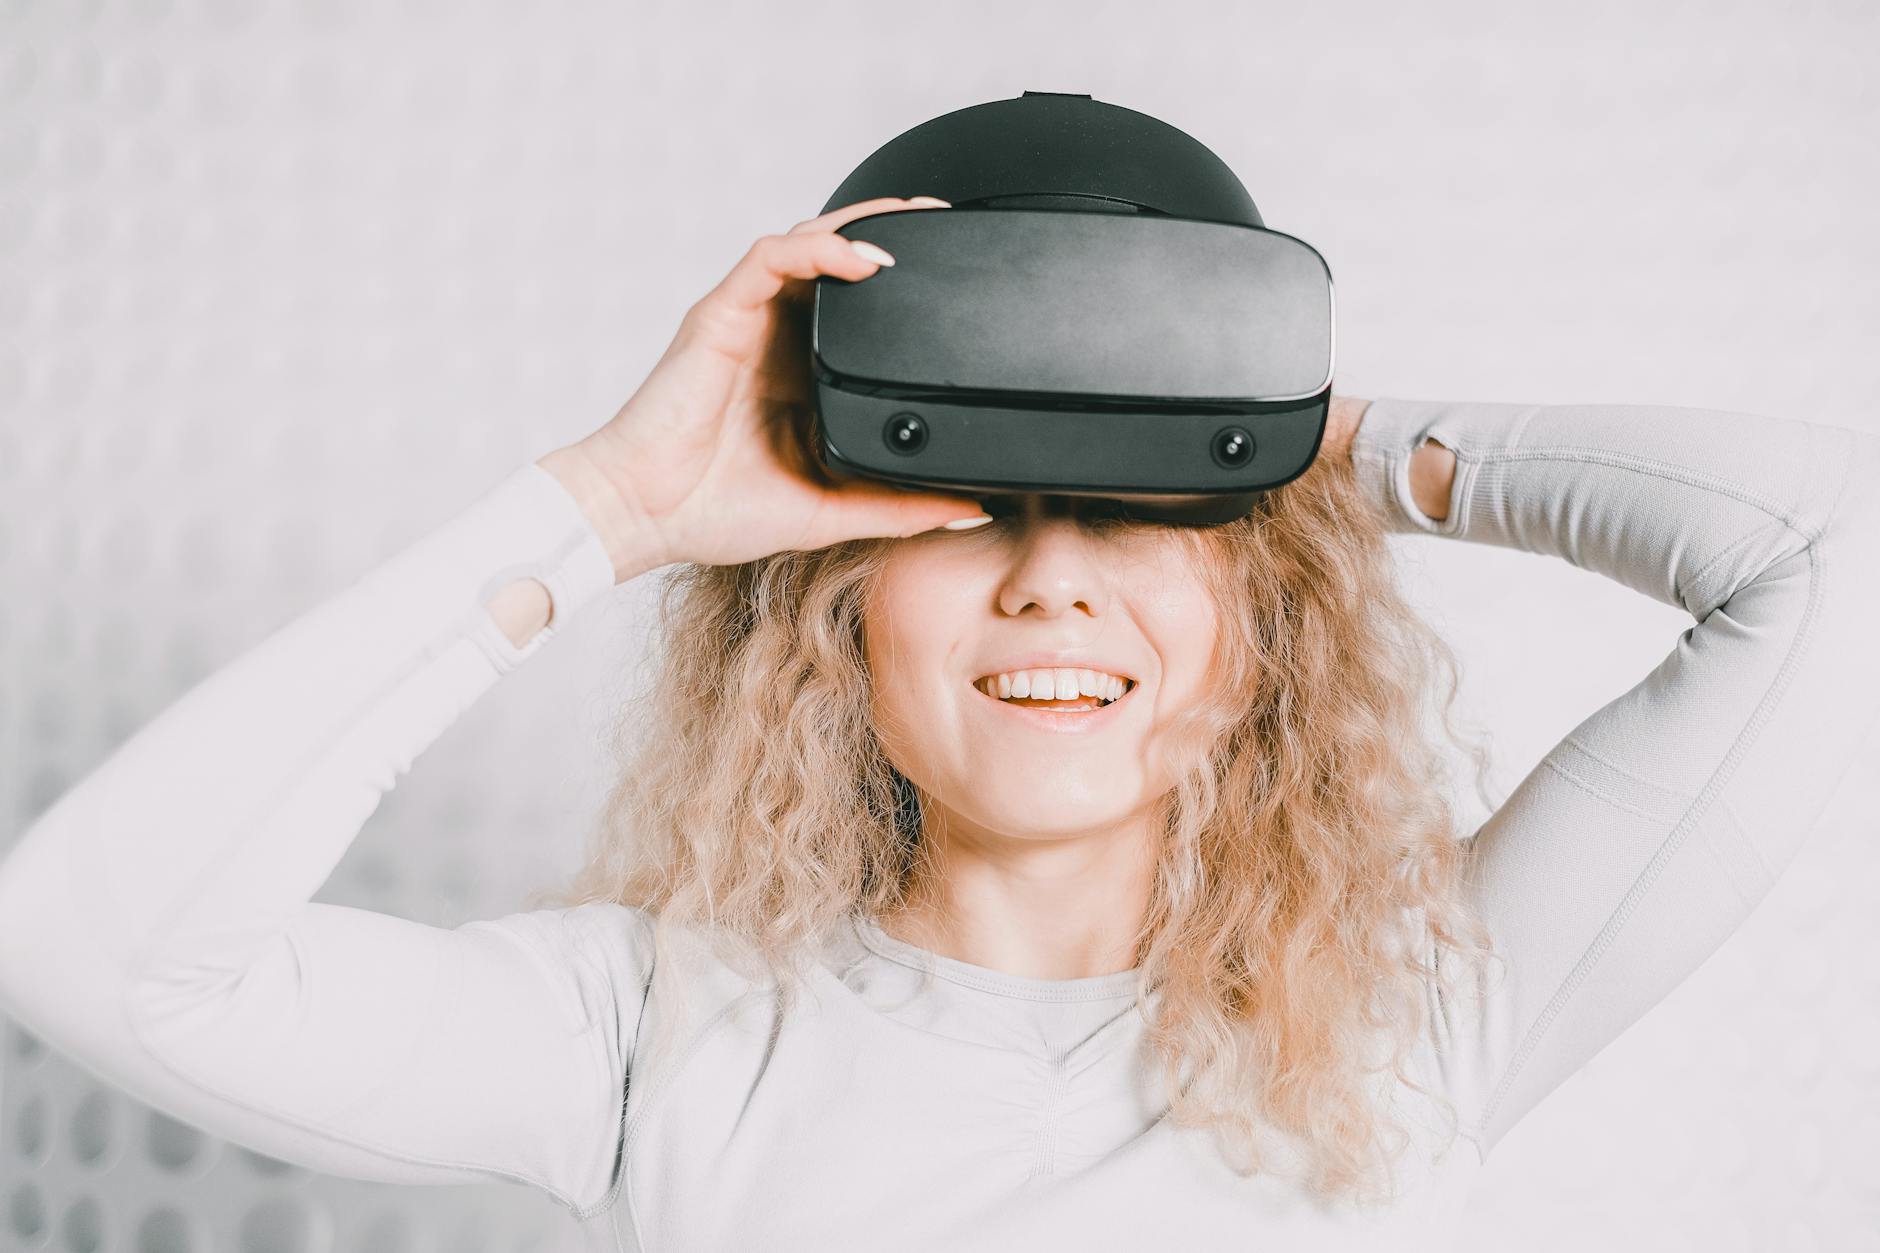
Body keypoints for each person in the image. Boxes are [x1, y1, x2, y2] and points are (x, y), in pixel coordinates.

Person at [0, 194, 1875, 1253]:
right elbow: (90, 949)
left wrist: (1303, 439)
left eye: (1142, 511)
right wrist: (616, 509)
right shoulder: (657, 1037)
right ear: (830, 620)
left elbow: (1833, 546)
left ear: (1259, 621)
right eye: (972, 503)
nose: (1054, 579)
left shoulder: (1418, 1022)